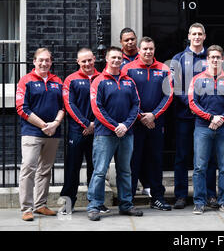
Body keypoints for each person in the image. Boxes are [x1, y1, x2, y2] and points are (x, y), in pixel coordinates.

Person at [87, 46, 142, 221]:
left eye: (120, 58)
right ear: (107, 59)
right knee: (100, 171)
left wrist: (125, 125)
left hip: (127, 133)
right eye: (114, 57)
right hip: (105, 134)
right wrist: (114, 126)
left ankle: (126, 204)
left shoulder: (129, 81)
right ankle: (94, 206)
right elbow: (97, 108)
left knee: (125, 171)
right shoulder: (99, 81)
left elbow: (136, 105)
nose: (117, 60)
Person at [122, 37, 173, 211]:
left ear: (154, 49)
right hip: (135, 123)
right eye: (144, 49)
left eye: (151, 49)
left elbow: (169, 95)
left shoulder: (164, 69)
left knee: (156, 161)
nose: (148, 52)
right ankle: (128, 201)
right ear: (139, 49)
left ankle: (157, 198)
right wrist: (140, 116)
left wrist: (154, 115)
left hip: (156, 123)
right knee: (133, 162)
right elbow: (126, 95)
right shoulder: (128, 69)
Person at [170, 23, 217, 210]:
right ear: (189, 36)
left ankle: (210, 194)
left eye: (200, 34)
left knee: (209, 157)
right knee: (182, 156)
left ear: (205, 36)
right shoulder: (178, 58)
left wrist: (205, 110)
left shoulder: (211, 57)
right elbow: (175, 86)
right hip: (185, 115)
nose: (197, 37)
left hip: (207, 117)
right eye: (194, 34)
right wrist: (192, 105)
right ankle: (181, 195)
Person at [188, 45, 224, 215]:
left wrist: (221, 119)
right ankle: (199, 202)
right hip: (203, 128)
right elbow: (192, 103)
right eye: (212, 57)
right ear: (207, 59)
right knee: (200, 167)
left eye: (218, 57)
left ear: (222, 59)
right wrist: (211, 118)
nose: (215, 60)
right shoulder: (197, 79)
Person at [16, 48, 65, 221]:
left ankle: (40, 205)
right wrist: (43, 125)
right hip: (32, 132)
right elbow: (22, 108)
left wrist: (56, 123)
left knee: (45, 170)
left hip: (53, 132)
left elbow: (63, 106)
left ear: (51, 62)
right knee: (28, 168)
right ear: (34, 62)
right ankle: (26, 208)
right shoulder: (25, 81)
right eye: (41, 60)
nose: (44, 63)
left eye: (47, 60)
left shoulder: (57, 81)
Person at [60, 48, 111, 214]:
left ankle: (95, 203)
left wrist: (95, 124)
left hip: (98, 130)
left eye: (89, 60)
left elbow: (106, 104)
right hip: (77, 131)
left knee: (96, 168)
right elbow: (69, 104)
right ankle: (67, 204)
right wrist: (85, 124)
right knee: (72, 168)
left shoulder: (102, 77)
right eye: (83, 61)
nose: (87, 64)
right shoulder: (71, 79)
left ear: (94, 59)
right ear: (78, 62)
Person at [119, 27, 149, 195]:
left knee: (146, 152)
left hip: (147, 113)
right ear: (121, 42)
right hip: (129, 114)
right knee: (131, 153)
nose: (130, 42)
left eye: (132, 39)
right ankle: (130, 187)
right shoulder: (118, 60)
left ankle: (147, 184)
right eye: (126, 40)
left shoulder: (144, 56)